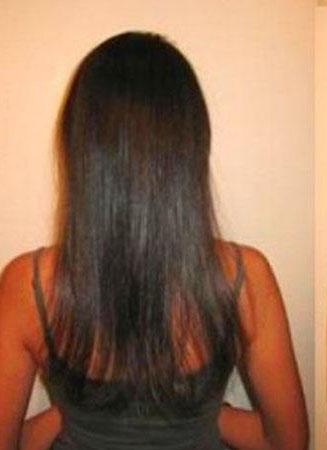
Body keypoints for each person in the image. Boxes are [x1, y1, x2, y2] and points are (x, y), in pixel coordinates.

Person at [0, 32, 308, 450]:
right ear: (192, 144)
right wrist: (207, 414)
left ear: (79, 146)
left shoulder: (30, 284)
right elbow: (287, 442)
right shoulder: (243, 276)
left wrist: (74, 412)